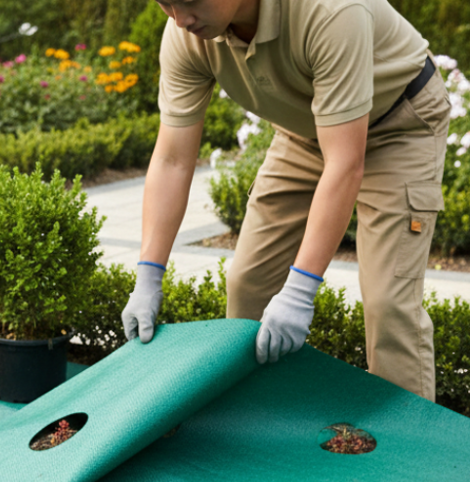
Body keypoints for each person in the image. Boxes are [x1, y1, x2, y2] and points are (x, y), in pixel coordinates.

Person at [121, 0, 449, 401]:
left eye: (189, 1)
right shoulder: (186, 36)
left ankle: (404, 438)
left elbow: (345, 164)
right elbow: (172, 160)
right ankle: (257, 421)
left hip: (399, 126)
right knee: (248, 283)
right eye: (165, 3)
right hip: (304, 133)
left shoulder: (331, 10)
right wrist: (148, 277)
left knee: (388, 304)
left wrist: (300, 290)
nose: (179, 18)